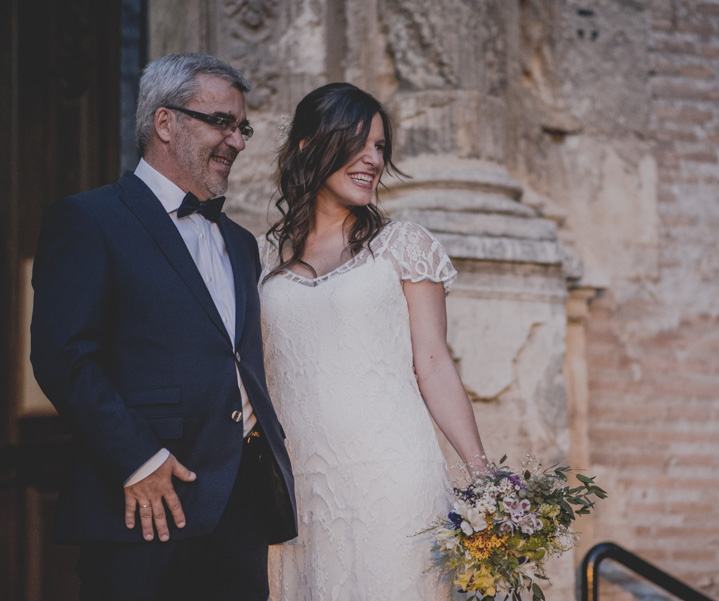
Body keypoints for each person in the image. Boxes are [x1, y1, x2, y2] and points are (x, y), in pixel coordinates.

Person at [30, 53, 296, 601]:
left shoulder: (241, 244)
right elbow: (63, 357)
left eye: (242, 128)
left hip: (239, 507)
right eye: (221, 122)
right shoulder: (88, 219)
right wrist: (138, 460)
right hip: (145, 504)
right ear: (165, 122)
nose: (237, 141)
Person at [258, 82, 488, 600]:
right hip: (299, 490)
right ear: (308, 146)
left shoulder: (403, 245)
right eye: (358, 143)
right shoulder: (262, 259)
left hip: (393, 479)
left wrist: (485, 478)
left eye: (380, 147)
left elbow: (433, 363)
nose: (373, 160)